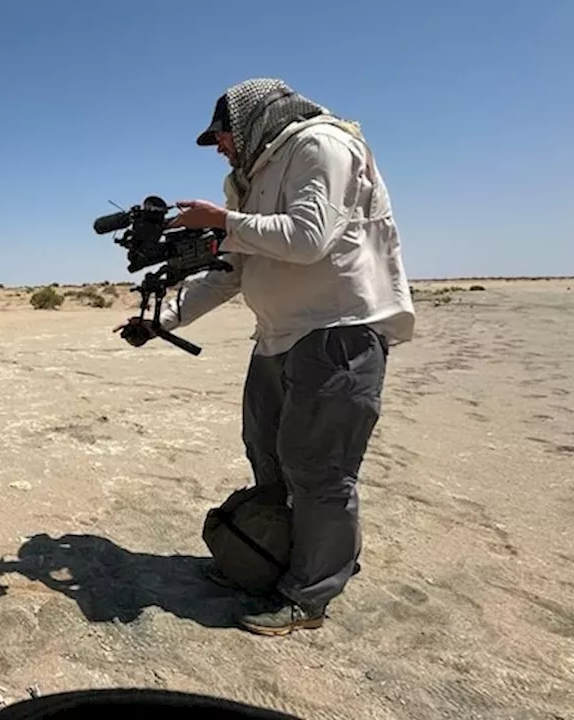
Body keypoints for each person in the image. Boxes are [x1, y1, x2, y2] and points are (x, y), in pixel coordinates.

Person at [116, 78, 415, 636]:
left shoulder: (321, 145)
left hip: (337, 332)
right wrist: (161, 321)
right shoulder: (251, 180)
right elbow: (232, 272)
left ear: (253, 118)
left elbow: (309, 237)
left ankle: (310, 593)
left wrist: (224, 222)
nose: (221, 148)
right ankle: (271, 560)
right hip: (277, 336)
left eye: (222, 136)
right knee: (269, 457)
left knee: (318, 469)